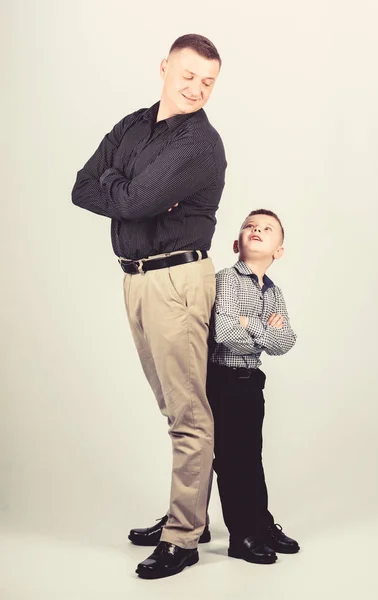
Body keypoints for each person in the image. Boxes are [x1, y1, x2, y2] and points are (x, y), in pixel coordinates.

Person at [71, 33, 227, 580]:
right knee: (172, 408)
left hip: (178, 280)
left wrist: (125, 189)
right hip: (137, 280)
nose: (197, 89)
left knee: (188, 413)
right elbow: (81, 186)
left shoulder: (201, 145)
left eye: (208, 81)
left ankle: (183, 537)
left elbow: (132, 201)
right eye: (188, 76)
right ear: (165, 68)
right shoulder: (133, 125)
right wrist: (127, 186)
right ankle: (192, 513)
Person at [206, 208, 300, 564]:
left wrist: (251, 322)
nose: (257, 230)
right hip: (223, 379)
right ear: (236, 243)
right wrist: (264, 329)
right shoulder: (226, 280)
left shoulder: (274, 293)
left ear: (278, 250)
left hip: (251, 385)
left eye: (267, 229)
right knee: (230, 461)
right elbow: (225, 334)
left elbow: (286, 341)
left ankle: (261, 524)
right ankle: (241, 535)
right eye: (249, 226)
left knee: (251, 458)